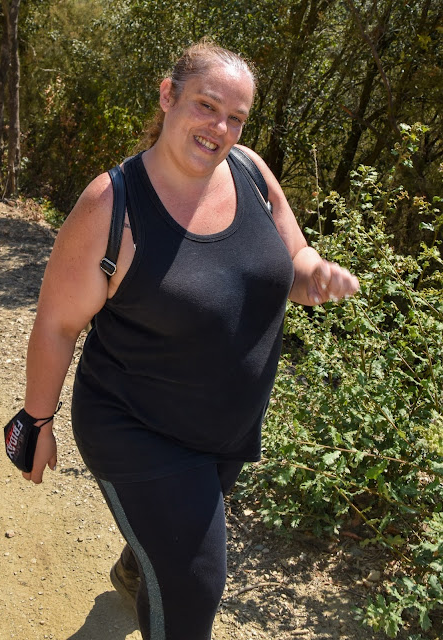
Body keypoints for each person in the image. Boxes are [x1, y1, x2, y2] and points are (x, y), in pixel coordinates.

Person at [20, 40, 359, 640]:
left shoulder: (251, 171)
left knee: (171, 540)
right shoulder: (113, 204)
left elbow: (294, 254)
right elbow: (57, 323)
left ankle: (139, 564)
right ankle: (159, 569)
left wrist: (315, 274)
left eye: (236, 117)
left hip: (224, 431)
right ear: (168, 95)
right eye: (207, 105)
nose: (221, 128)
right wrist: (35, 423)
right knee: (195, 581)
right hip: (135, 427)